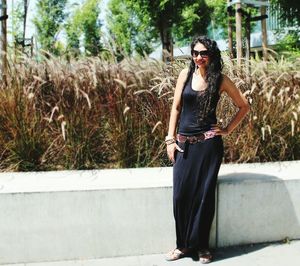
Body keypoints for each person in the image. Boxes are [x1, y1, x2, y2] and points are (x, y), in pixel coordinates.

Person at [164, 36, 250, 263]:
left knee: (204, 197)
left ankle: (202, 247)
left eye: (203, 53)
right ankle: (182, 245)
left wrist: (228, 129)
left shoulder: (220, 79)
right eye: (194, 53)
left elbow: (244, 106)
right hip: (184, 145)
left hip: (209, 146)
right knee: (181, 196)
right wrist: (170, 140)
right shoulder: (185, 75)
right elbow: (176, 107)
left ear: (211, 54)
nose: (198, 57)